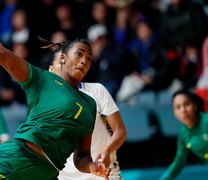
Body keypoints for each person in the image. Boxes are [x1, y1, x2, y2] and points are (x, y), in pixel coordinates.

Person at [0, 40, 110, 180]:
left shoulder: (90, 104)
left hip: (48, 173)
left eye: (89, 59)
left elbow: (82, 156)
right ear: (63, 57)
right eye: (79, 54)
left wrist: (92, 166)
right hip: (17, 158)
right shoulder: (43, 79)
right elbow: (3, 54)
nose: (84, 61)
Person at [46, 47, 127, 180]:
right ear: (50, 69)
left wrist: (107, 151)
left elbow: (120, 131)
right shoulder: (44, 102)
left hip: (101, 172)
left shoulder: (96, 90)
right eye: (61, 63)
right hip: (64, 176)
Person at [159, 89, 208, 179]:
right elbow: (179, 163)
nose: (183, 110)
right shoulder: (183, 134)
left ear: (195, 106)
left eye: (187, 104)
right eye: (178, 107)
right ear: (175, 114)